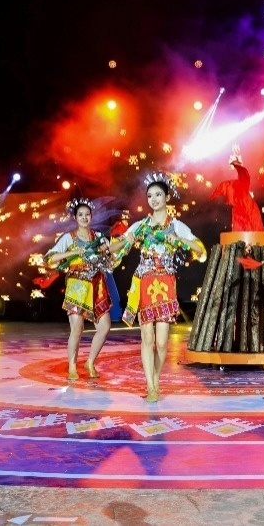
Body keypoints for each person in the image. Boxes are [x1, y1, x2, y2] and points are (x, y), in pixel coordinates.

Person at [109, 171, 207, 402]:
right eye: (150, 195)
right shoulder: (141, 225)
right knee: (147, 339)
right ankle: (151, 386)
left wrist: (179, 240)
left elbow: (200, 250)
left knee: (162, 343)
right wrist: (126, 240)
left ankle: (156, 378)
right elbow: (112, 250)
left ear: (167, 197)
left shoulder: (176, 226)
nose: (153, 199)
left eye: (158, 195)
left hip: (166, 285)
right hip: (144, 284)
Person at [44, 197, 118, 381]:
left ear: (91, 216)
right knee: (77, 329)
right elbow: (49, 258)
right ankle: (72, 366)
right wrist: (73, 252)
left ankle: (90, 362)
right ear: (75, 218)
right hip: (77, 287)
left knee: (105, 327)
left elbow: (112, 260)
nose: (84, 218)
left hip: (97, 286)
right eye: (81, 215)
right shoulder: (69, 237)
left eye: (87, 215)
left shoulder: (98, 237)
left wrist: (108, 251)